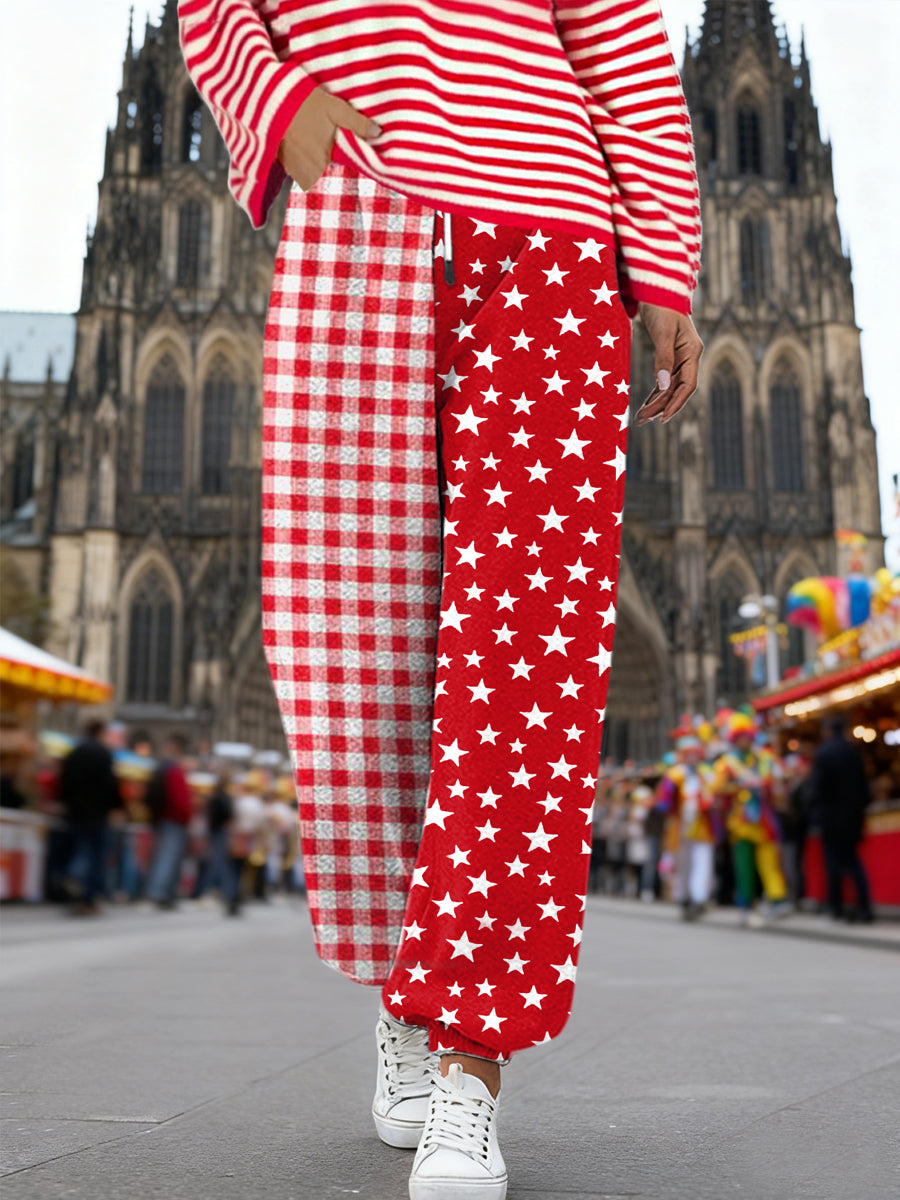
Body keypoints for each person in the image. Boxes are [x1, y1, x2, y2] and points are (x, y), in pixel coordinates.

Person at [178, 3, 703, 1195]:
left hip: (553, 234)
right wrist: (271, 99)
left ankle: (472, 1062)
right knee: (356, 652)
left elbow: (617, 33)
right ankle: (409, 992)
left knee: (526, 670)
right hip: (358, 207)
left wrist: (662, 258)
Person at [713, 713, 789, 927]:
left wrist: (770, 785)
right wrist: (737, 787)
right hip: (741, 822)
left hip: (765, 820)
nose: (744, 741)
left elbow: (780, 780)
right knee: (743, 866)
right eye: (740, 737)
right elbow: (717, 789)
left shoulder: (766, 757)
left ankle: (777, 899)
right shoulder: (726, 763)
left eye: (747, 736)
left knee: (770, 862)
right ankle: (745, 904)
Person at [808, 717, 873, 923]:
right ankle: (864, 906)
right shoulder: (853, 751)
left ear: (827, 730)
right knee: (853, 862)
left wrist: (815, 815)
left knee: (834, 864)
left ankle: (836, 907)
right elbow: (864, 787)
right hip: (853, 817)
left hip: (831, 819)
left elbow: (817, 788)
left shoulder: (824, 753)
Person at [655, 724, 719, 920]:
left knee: (703, 863)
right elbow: (663, 802)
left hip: (702, 827)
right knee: (682, 865)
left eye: (695, 753)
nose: (692, 757)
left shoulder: (706, 773)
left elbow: (716, 794)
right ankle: (683, 898)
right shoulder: (675, 774)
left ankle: (699, 899)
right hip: (680, 827)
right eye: (688, 754)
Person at [58, 719, 121, 915]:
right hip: (97, 813)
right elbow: (110, 784)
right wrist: (116, 807)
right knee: (95, 855)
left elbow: (65, 782)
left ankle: (73, 882)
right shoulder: (103, 753)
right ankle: (88, 896)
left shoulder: (75, 752)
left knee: (78, 848)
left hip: (76, 812)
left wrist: (66, 803)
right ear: (101, 732)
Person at [144, 734, 192, 910]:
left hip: (165, 819)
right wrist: (186, 816)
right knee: (168, 858)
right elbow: (179, 800)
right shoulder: (173, 770)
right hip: (173, 820)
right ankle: (161, 893)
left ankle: (164, 892)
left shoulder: (162, 769)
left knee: (165, 857)